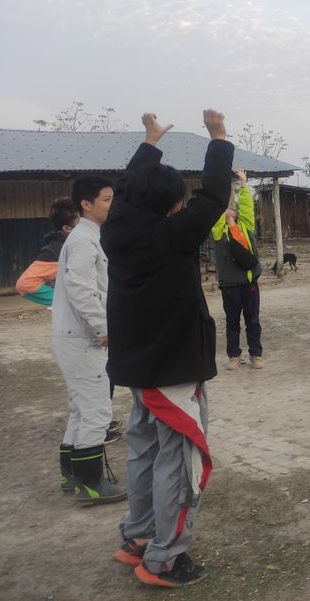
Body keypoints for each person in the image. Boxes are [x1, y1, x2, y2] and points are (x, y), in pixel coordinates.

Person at [101, 110, 232, 588]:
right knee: (179, 461)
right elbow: (214, 196)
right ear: (173, 204)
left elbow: (127, 189)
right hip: (171, 370)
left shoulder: (115, 228)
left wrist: (150, 143)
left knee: (145, 451)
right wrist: (218, 138)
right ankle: (166, 559)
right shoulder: (172, 235)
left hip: (138, 368)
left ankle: (138, 536)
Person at [51, 175, 126, 505]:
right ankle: (92, 485)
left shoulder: (89, 235)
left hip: (75, 336)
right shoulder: (84, 239)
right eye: (106, 199)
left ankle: (71, 474)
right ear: (86, 203)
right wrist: (102, 328)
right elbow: (81, 289)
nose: (112, 204)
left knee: (81, 409)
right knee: (96, 409)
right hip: (83, 338)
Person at [210, 168, 264, 370]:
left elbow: (247, 206)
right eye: (226, 208)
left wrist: (243, 183)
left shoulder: (246, 227)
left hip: (249, 282)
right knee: (232, 322)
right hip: (230, 285)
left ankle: (256, 354)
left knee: (253, 321)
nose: (229, 209)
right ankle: (234, 356)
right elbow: (216, 207)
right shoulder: (219, 232)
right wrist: (221, 185)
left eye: (232, 208)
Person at [16, 197, 79, 306]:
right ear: (67, 228)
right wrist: (66, 302)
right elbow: (25, 284)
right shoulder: (57, 251)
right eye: (83, 223)